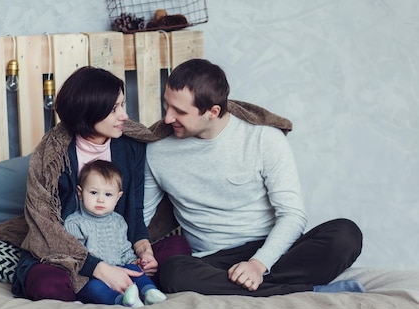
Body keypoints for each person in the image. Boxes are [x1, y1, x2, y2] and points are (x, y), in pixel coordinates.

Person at [143, 58, 364, 296]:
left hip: (273, 251)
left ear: (213, 112)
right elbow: (141, 218)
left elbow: (292, 215)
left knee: (346, 234)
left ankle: (262, 286)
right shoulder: (158, 151)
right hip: (215, 260)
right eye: (167, 106)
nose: (167, 118)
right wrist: (138, 253)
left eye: (180, 112)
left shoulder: (263, 138)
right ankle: (307, 290)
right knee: (173, 272)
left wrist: (258, 265)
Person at [12, 66, 190, 302]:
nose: (124, 116)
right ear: (89, 113)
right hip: (66, 253)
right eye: (114, 109)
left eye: (122, 105)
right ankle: (111, 289)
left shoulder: (131, 146)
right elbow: (46, 228)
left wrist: (144, 251)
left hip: (117, 247)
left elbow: (133, 211)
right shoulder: (52, 156)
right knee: (45, 282)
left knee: (178, 247)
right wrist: (100, 269)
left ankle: (130, 284)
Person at [64, 159, 167, 307]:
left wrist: (135, 262)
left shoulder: (118, 221)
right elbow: (76, 257)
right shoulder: (74, 223)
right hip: (93, 276)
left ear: (118, 197)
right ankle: (123, 301)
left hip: (121, 268)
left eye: (108, 195)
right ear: (80, 193)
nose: (100, 199)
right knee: (92, 288)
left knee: (135, 271)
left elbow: (125, 250)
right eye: (93, 192)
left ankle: (149, 292)